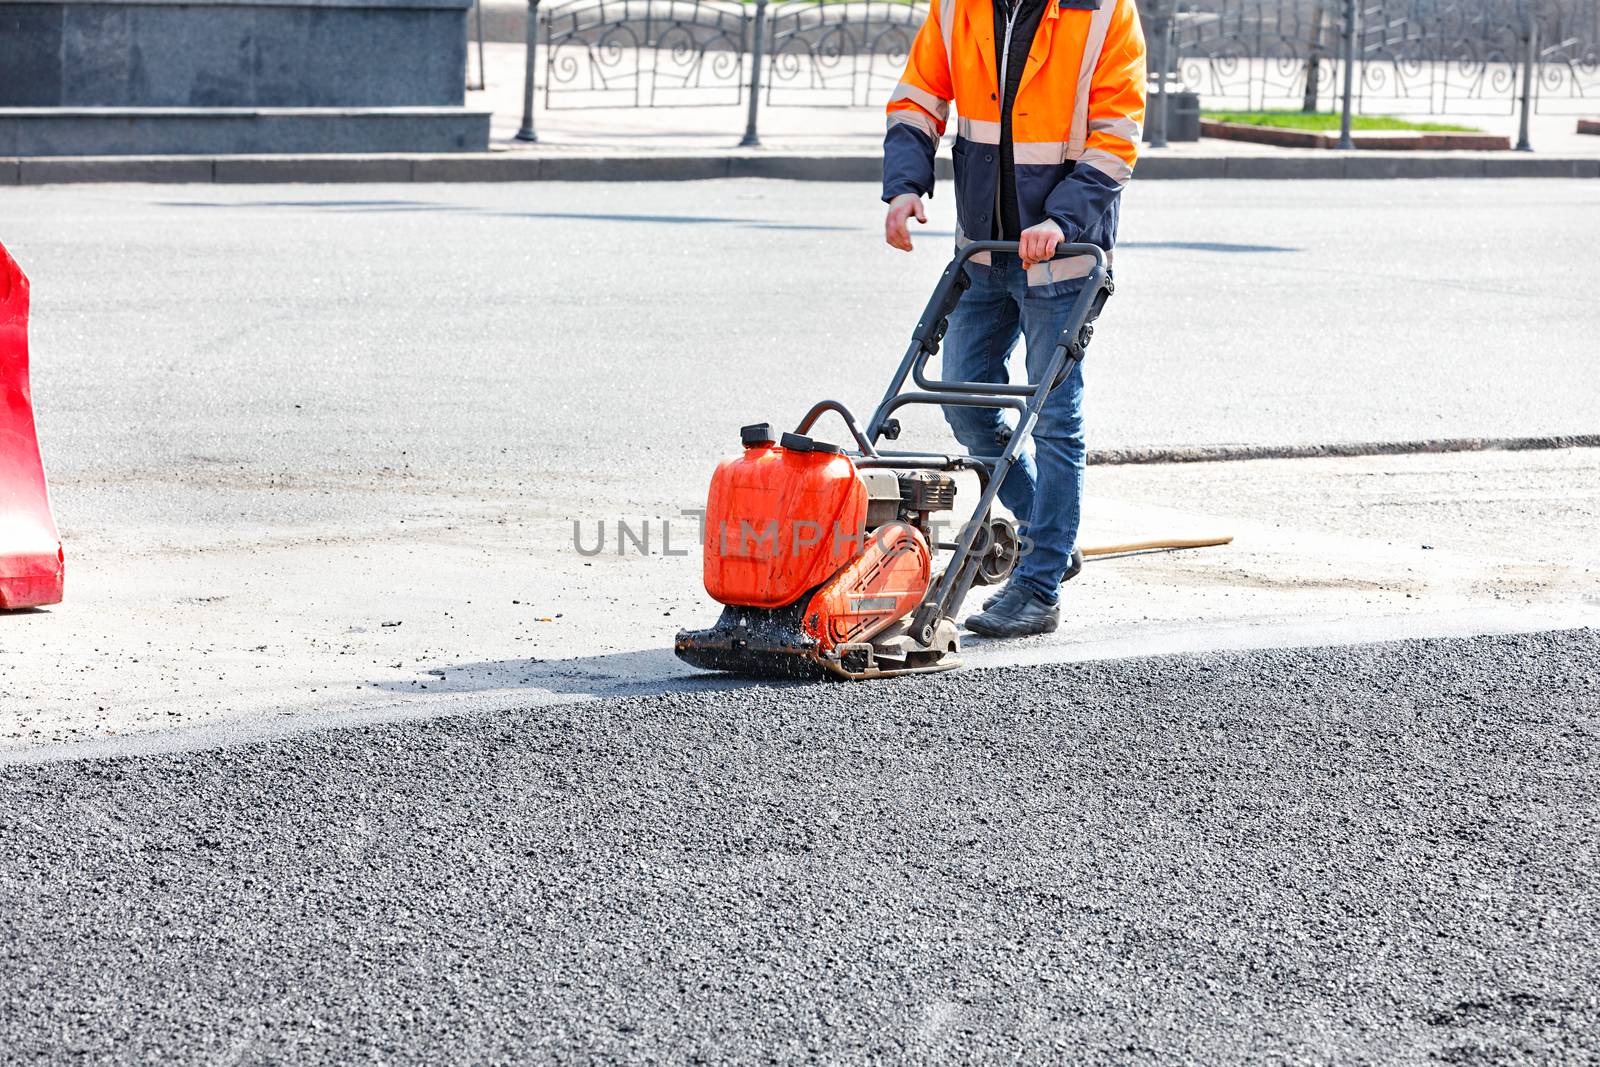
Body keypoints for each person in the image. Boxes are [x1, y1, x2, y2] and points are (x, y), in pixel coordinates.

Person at [882, 0, 1146, 638]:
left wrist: (1062, 218)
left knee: (1055, 417)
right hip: (984, 248)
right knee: (966, 400)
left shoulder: (1104, 12)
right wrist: (905, 185)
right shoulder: (958, 7)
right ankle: (1048, 536)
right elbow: (918, 98)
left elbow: (1117, 134)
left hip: (1062, 255)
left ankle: (1040, 583)